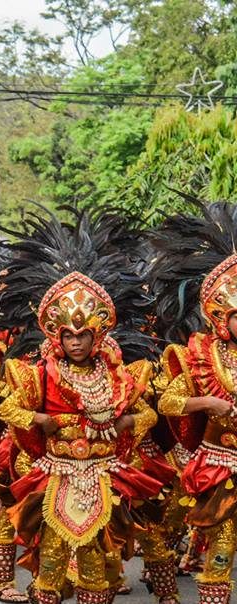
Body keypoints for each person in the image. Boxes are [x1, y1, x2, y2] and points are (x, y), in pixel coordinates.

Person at [0, 272, 161, 604]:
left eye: (82, 335)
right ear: (58, 337)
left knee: (94, 555)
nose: (75, 342)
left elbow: (150, 415)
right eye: (68, 335)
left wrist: (128, 419)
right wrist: (40, 419)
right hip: (60, 473)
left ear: (95, 336)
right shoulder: (42, 374)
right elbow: (7, 410)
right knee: (54, 552)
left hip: (102, 472)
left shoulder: (117, 375)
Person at [152, 201, 237, 603]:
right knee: (221, 553)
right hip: (221, 468)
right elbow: (168, 403)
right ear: (222, 315)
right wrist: (206, 403)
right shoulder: (201, 355)